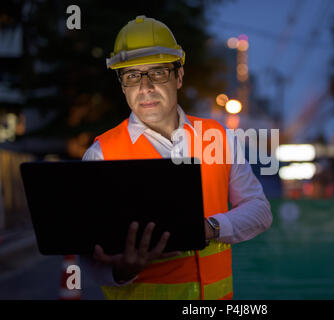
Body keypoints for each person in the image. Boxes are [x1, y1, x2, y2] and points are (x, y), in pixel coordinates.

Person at [81, 15, 272, 300]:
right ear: (122, 85)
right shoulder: (101, 154)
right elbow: (90, 259)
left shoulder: (216, 136)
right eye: (132, 76)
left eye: (157, 73)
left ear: (179, 76)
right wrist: (123, 269)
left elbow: (260, 211)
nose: (145, 87)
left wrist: (210, 229)